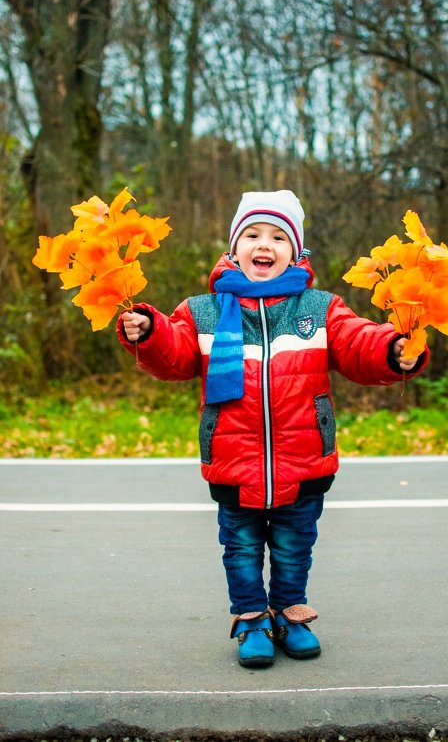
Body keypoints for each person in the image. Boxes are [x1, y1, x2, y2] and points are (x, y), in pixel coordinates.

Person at [117, 190, 428, 669]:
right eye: (254, 234)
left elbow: (358, 342)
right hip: (232, 460)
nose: (266, 244)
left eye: (279, 236)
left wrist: (393, 350)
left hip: (303, 459)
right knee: (239, 547)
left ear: (296, 251)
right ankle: (251, 621)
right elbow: (175, 355)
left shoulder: (320, 308)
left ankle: (289, 615)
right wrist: (150, 331)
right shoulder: (202, 311)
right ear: (234, 248)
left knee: (293, 545)